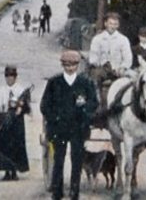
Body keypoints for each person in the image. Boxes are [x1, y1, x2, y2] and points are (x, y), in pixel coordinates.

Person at [41, 50, 98, 200]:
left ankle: (74, 191)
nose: (69, 68)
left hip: (78, 128)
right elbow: (44, 105)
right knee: (58, 159)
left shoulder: (85, 83)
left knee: (77, 160)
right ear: (62, 65)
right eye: (66, 65)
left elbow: (94, 103)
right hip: (59, 128)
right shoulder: (54, 82)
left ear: (78, 66)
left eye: (73, 65)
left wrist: (85, 109)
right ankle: (57, 191)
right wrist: (55, 118)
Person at [0, 66, 31, 181]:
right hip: (5, 122)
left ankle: (14, 171)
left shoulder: (20, 90)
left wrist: (21, 109)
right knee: (4, 147)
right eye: (7, 77)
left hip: (17, 123)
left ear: (15, 78)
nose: (9, 79)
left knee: (16, 146)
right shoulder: (1, 91)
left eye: (12, 77)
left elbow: (26, 107)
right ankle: (6, 172)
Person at [87, 12, 133, 92]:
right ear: (105, 24)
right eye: (110, 23)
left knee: (133, 80)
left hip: (118, 69)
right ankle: (97, 99)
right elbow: (93, 57)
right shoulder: (98, 39)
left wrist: (123, 67)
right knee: (95, 77)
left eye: (115, 24)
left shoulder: (123, 39)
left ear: (118, 25)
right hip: (102, 69)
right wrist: (101, 65)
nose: (113, 26)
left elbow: (128, 58)